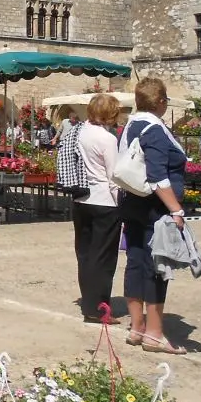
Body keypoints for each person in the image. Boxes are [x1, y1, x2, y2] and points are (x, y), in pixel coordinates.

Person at [120, 77, 189, 355]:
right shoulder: (155, 130)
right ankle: (155, 333)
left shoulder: (129, 127)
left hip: (132, 204)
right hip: (154, 208)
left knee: (135, 262)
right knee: (157, 267)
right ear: (161, 102)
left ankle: (137, 327)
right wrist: (176, 209)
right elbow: (158, 176)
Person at [72, 94, 123, 324]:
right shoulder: (107, 139)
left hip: (82, 198)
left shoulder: (79, 132)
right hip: (104, 200)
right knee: (103, 256)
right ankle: (99, 307)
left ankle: (88, 300)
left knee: (84, 253)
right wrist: (119, 203)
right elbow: (114, 176)